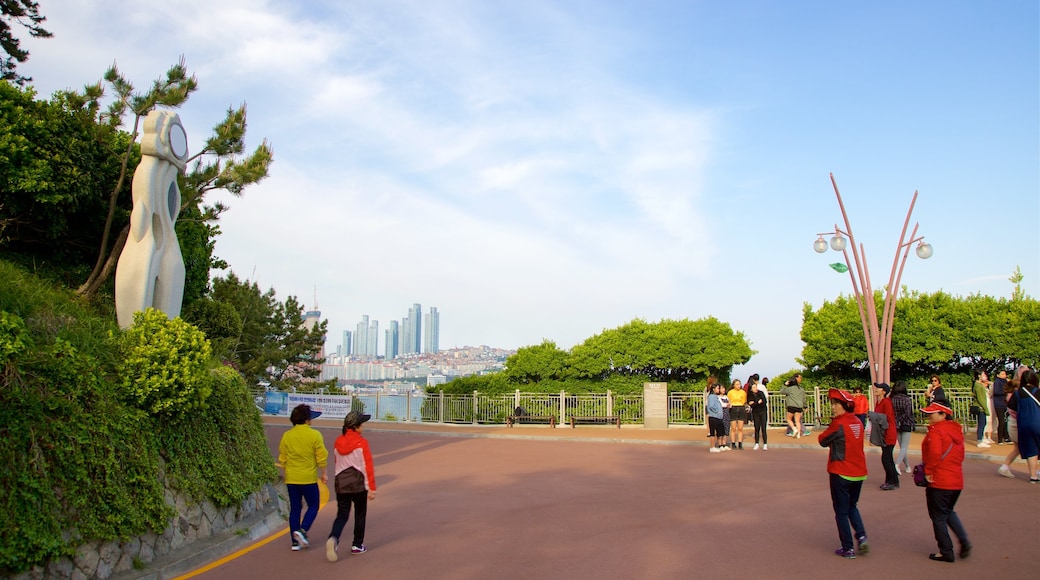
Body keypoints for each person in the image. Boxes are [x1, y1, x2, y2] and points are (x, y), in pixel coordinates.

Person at [818, 388, 869, 559]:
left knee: (841, 511)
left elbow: (822, 440)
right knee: (852, 506)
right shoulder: (857, 422)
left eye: (835, 404)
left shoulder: (838, 423)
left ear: (844, 405)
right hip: (859, 472)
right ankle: (861, 536)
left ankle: (847, 547)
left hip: (841, 471)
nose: (833, 407)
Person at [920, 400, 971, 562]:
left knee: (938, 516)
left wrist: (928, 471)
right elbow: (960, 456)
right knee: (948, 512)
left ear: (943, 414)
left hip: (940, 480)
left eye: (932, 413)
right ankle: (963, 540)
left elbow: (934, 453)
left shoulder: (936, 432)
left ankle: (945, 550)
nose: (929, 416)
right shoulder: (956, 432)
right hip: (956, 479)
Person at [326, 410, 378, 561]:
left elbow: (337, 463)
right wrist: (372, 488)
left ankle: (333, 538)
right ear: (356, 427)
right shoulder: (362, 443)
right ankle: (357, 545)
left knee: (342, 514)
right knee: (360, 514)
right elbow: (367, 466)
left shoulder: (338, 441)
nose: (363, 426)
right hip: (358, 484)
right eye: (362, 424)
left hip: (341, 483)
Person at [278, 404, 328, 551]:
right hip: (308, 478)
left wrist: (287, 471)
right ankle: (303, 530)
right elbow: (321, 457)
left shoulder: (287, 435)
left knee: (295, 509)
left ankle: (294, 542)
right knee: (313, 505)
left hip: (292, 479)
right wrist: (324, 473)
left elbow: (283, 458)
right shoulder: (315, 435)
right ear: (307, 420)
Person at [1008, 368, 1040, 483]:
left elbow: (1011, 407)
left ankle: (1033, 477)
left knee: (1031, 450)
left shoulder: (1017, 393)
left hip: (1023, 424)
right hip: (1038, 422)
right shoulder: (1037, 391)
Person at [870, 383, 899, 490]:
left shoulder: (886, 402)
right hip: (884, 433)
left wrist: (872, 415)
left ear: (884, 391)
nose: (876, 389)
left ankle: (890, 481)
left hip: (888, 433)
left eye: (879, 388)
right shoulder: (879, 402)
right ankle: (894, 481)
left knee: (886, 458)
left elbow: (887, 418)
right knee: (888, 458)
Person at [998, 378, 1023, 478]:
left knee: (1018, 449)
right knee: (1031, 448)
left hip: (1013, 423)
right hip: (1016, 424)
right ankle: (1035, 473)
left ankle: (1005, 466)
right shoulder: (1014, 397)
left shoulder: (1010, 396)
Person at [891, 381, 915, 475]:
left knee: (902, 447)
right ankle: (897, 465)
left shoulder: (892, 399)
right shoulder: (907, 399)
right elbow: (907, 413)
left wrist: (897, 421)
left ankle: (908, 466)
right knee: (904, 447)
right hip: (906, 423)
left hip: (896, 424)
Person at [780, 373, 808, 439]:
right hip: (799, 407)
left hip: (791, 406)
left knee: (789, 419)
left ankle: (794, 429)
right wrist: (805, 406)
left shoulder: (790, 389)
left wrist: (784, 385)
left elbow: (782, 391)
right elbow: (804, 399)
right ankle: (798, 433)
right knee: (797, 421)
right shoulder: (801, 389)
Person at [971, 370, 991, 448]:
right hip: (980, 407)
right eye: (983, 375)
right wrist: (986, 409)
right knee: (981, 424)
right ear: (979, 375)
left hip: (981, 407)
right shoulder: (978, 385)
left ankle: (982, 438)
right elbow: (980, 399)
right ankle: (979, 440)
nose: (985, 376)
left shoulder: (979, 384)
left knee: (983, 423)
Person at [705, 377, 727, 453]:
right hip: (714, 417)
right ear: (714, 389)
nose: (718, 390)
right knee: (712, 433)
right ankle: (712, 447)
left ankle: (720, 445)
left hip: (718, 417)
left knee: (720, 432)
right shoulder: (711, 396)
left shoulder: (715, 396)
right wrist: (717, 411)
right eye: (717, 388)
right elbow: (710, 406)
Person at [748, 378, 768, 450]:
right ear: (751, 389)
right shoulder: (750, 395)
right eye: (754, 387)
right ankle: (756, 443)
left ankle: (765, 444)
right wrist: (757, 403)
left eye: (756, 387)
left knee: (763, 427)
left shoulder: (761, 393)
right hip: (755, 412)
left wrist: (755, 403)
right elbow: (751, 404)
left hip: (763, 411)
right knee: (757, 428)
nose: (755, 388)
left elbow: (764, 402)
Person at [728, 379, 747, 449]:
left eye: (739, 384)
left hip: (741, 408)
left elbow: (744, 401)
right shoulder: (730, 392)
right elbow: (728, 401)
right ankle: (733, 443)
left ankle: (740, 443)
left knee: (740, 428)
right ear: (733, 385)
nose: (738, 386)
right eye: (737, 384)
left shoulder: (743, 392)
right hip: (733, 408)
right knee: (733, 428)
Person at [992, 370, 1010, 444]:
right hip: (999, 404)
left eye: (1005, 374)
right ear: (998, 375)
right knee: (1001, 421)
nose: (1004, 375)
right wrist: (1005, 391)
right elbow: (996, 392)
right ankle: (1000, 439)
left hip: (1006, 404)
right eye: (1002, 374)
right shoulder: (997, 382)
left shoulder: (1006, 382)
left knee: (1006, 421)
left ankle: (1006, 437)